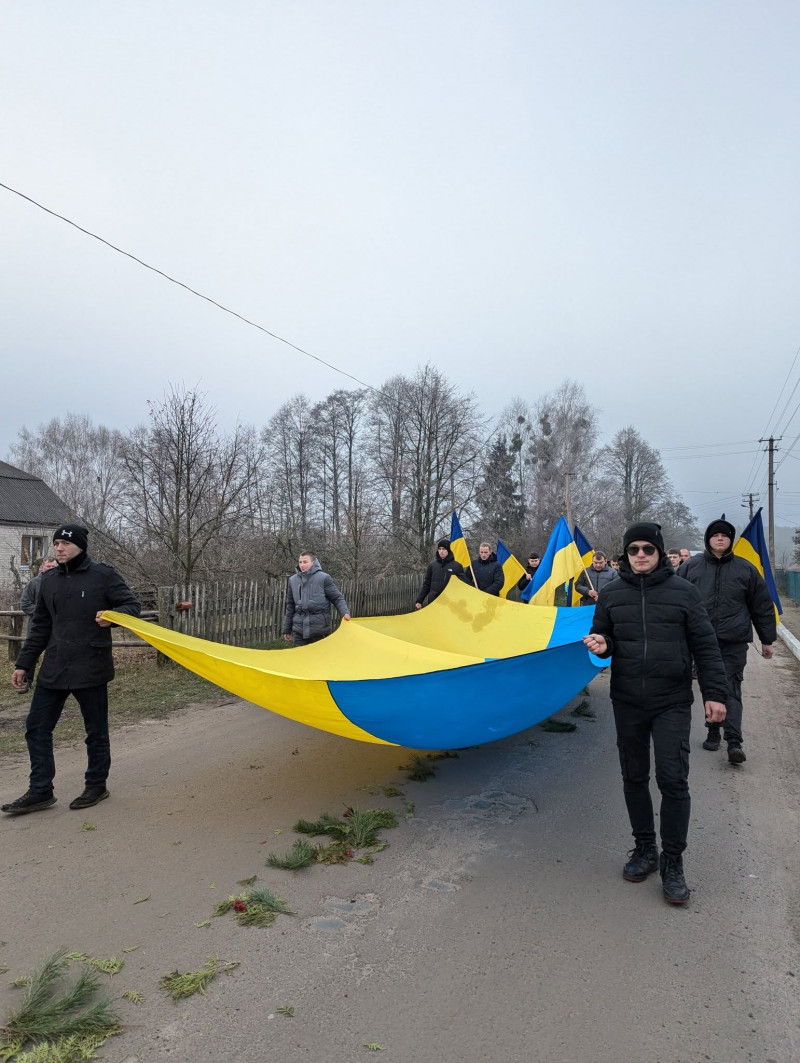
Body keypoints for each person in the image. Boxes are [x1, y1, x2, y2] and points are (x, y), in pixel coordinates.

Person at [583, 522, 728, 906]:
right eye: (634, 549)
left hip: (672, 701)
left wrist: (715, 694)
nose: (642, 555)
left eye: (648, 548)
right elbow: (604, 636)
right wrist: (602, 644)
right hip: (628, 699)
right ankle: (645, 848)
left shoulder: (684, 592)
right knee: (633, 777)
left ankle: (673, 862)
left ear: (660, 552)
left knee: (673, 780)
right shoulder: (611, 594)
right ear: (626, 555)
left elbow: (706, 645)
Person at [3, 525, 141, 816]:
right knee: (37, 728)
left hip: (90, 665)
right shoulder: (48, 580)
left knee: (95, 731)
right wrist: (24, 664)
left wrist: (112, 617)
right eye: (55, 544)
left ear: (80, 546)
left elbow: (132, 606)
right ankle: (40, 790)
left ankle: (96, 784)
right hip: (54, 667)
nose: (59, 548)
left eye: (64, 543)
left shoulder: (103, 576)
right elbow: (40, 626)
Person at [678, 518, 776, 763]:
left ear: (731, 539)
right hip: (700, 641)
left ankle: (734, 741)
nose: (720, 538)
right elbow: (675, 601)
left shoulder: (746, 569)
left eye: (725, 535)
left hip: (733, 640)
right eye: (715, 535)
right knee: (709, 686)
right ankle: (713, 731)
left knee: (731, 688)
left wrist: (767, 639)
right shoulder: (691, 567)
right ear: (708, 539)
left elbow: (761, 606)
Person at [282, 551, 351, 646]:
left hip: (319, 630)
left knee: (319, 659)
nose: (302, 565)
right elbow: (290, 606)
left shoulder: (324, 578)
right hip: (299, 631)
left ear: (313, 562)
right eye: (300, 562)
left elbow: (337, 598)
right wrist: (286, 630)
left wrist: (345, 613)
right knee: (300, 659)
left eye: (305, 562)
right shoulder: (293, 580)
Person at [18, 556, 58, 691]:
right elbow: (25, 603)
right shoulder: (34, 583)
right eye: (49, 566)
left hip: (56, 627)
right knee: (32, 653)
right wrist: (42, 613)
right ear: (42, 567)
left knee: (55, 653)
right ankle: (26, 681)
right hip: (37, 626)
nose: (51, 569)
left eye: (54, 567)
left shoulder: (62, 583)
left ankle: (53, 683)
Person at [415, 539, 464, 608]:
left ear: (448, 550)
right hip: (433, 601)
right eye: (439, 549)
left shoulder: (457, 566)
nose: (441, 551)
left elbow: (462, 586)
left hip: (450, 603)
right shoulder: (432, 565)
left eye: (444, 549)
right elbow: (426, 584)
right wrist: (419, 600)